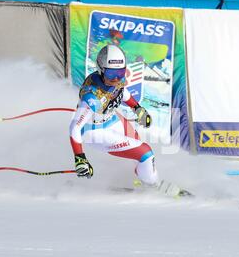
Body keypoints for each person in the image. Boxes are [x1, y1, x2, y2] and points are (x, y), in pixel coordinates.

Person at [69, 45, 187, 197]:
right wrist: (80, 159)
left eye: (120, 72)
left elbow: (121, 92)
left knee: (137, 142)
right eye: (112, 74)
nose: (117, 78)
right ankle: (152, 186)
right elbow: (74, 128)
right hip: (95, 132)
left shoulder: (114, 79)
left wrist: (137, 108)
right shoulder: (92, 97)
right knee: (146, 153)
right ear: (101, 70)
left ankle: (141, 178)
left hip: (111, 119)